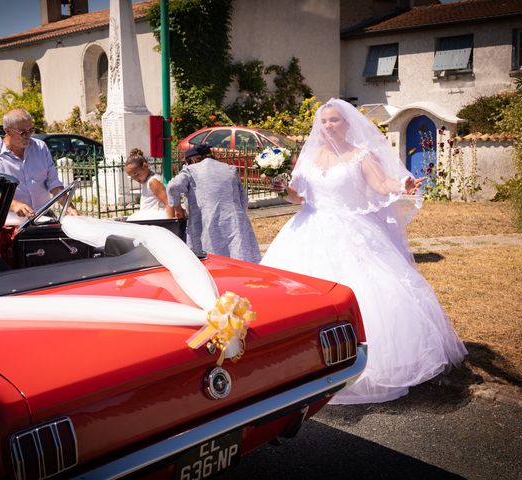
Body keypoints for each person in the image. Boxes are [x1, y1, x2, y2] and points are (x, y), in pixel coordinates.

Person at [261, 98, 467, 404]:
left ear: (347, 124)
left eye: (335, 120)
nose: (329, 125)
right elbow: (298, 196)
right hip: (306, 229)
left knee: (363, 296)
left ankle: (362, 366)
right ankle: (302, 362)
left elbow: (382, 184)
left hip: (350, 231)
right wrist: (282, 188)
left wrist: (402, 186)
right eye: (325, 121)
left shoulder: (361, 155)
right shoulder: (308, 156)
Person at [166, 144, 261, 263]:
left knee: (212, 263)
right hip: (235, 221)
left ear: (193, 160)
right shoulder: (230, 168)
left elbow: (172, 187)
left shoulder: (191, 170)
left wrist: (178, 209)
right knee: (238, 260)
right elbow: (243, 198)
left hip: (207, 222)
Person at [0, 108, 77, 217]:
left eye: (30, 130)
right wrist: (14, 205)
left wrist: (69, 207)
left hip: (42, 216)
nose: (28, 136)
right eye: (23, 132)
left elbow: (53, 182)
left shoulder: (40, 147)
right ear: (7, 130)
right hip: (9, 219)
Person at [124, 147, 173, 220]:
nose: (136, 179)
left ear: (145, 166)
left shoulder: (153, 182)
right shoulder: (146, 181)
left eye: (137, 174)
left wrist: (171, 222)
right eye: (132, 177)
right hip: (148, 217)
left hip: (156, 218)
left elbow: (168, 203)